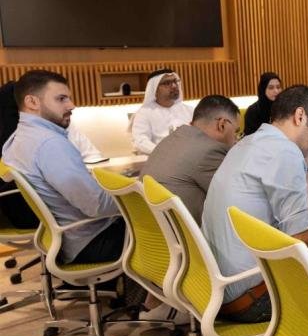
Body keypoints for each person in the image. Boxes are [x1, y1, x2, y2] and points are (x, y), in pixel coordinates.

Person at [202, 85, 308, 323]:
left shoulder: (248, 143)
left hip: (215, 288)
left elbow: (302, 216)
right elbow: (300, 234)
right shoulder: (283, 152)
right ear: (300, 116)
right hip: (250, 297)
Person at [1, 70, 125, 263]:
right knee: (166, 229)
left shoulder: (17, 138)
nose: (71, 105)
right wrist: (137, 198)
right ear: (32, 102)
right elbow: (97, 207)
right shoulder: (50, 144)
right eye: (61, 99)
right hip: (91, 241)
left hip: (61, 240)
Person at [142, 95, 240, 223]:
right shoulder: (210, 151)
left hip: (153, 227)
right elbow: (236, 199)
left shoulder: (173, 138)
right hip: (184, 232)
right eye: (236, 132)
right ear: (221, 125)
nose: (236, 139)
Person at [130, 69, 195, 155]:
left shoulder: (190, 110)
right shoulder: (144, 113)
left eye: (175, 81)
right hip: (161, 158)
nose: (174, 86)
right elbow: (140, 141)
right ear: (155, 89)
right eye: (167, 83)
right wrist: (164, 152)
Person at [243, 72, 281, 136]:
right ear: (263, 89)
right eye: (271, 88)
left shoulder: (284, 108)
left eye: (278, 87)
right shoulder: (253, 111)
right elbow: (250, 137)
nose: (276, 91)